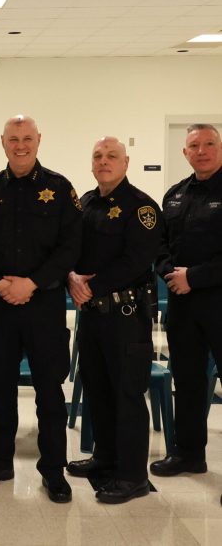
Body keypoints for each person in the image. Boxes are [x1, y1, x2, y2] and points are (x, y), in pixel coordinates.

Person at [0, 115, 82, 503]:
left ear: (39, 140)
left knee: (49, 391)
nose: (21, 145)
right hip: (0, 304)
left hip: (44, 304)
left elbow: (71, 246)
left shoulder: (60, 188)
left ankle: (53, 470)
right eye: (13, 138)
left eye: (27, 138)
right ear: (2, 141)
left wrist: (31, 283)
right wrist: (1, 283)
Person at [66, 137, 161, 503]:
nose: (104, 162)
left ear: (126, 162)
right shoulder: (87, 203)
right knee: (98, 390)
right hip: (92, 316)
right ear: (92, 163)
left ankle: (134, 475)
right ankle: (105, 459)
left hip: (126, 315)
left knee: (127, 394)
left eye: (112, 156)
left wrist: (92, 287)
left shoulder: (142, 208)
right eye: (98, 156)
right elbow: (73, 249)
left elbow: (137, 260)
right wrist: (71, 278)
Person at [150, 123, 222, 484]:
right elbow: (160, 247)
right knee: (189, 380)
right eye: (195, 145)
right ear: (185, 152)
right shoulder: (174, 195)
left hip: (217, 299)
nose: (202, 151)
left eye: (209, 143)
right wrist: (170, 275)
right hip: (183, 304)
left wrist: (193, 276)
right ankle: (189, 454)